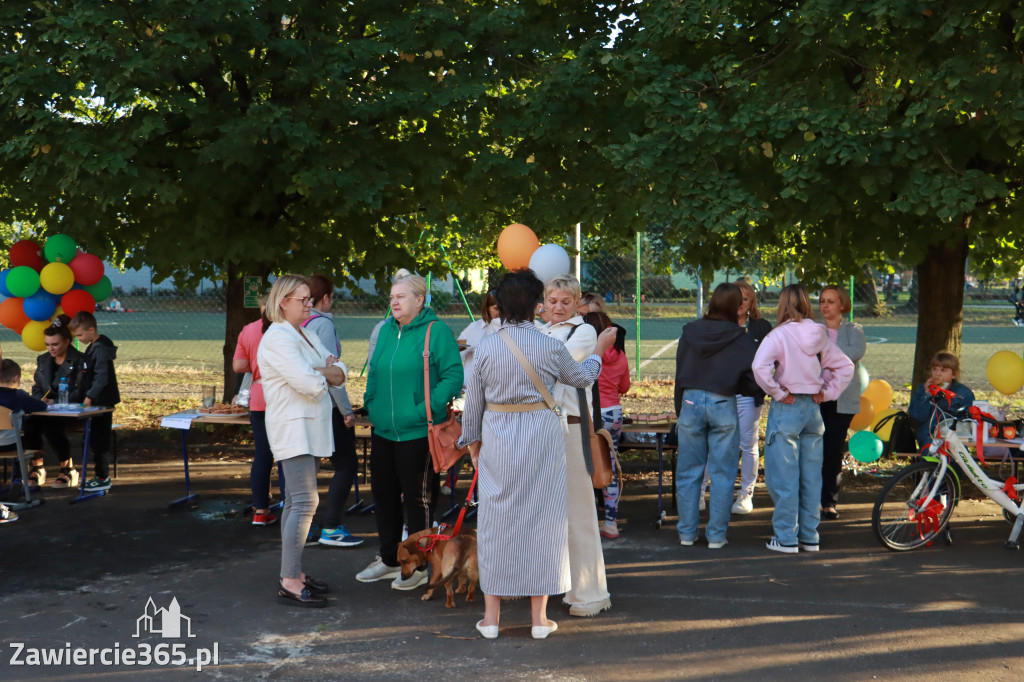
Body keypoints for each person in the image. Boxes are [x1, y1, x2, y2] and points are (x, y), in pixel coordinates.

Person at [461, 269, 617, 640]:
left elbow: (473, 406)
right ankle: (539, 618)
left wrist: (473, 444)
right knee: (544, 523)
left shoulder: (485, 346)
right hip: (544, 436)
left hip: (499, 435)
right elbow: (581, 379)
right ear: (536, 304)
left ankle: (492, 618)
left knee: (497, 522)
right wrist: (597, 352)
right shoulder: (550, 345)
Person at [356, 270, 463, 589]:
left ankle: (418, 567)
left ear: (420, 300)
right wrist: (371, 403)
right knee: (384, 497)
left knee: (418, 500)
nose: (394, 302)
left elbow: (453, 376)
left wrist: (423, 410)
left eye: (400, 297)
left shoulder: (436, 331)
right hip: (384, 431)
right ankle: (391, 559)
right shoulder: (387, 330)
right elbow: (374, 370)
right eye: (391, 297)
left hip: (418, 432)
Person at [258, 275, 348, 608]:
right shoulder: (278, 338)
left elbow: (342, 372)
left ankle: (292, 572)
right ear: (283, 302)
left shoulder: (306, 333)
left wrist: (323, 370)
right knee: (305, 502)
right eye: (303, 300)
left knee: (297, 503)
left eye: (310, 299)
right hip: (293, 430)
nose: (309, 305)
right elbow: (309, 383)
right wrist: (323, 371)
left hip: (311, 429)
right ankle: (290, 579)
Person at [752, 284, 854, 554]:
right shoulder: (819, 333)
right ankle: (810, 536)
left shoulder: (778, 335)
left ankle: (786, 538)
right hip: (813, 409)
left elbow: (758, 367)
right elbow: (846, 365)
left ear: (782, 305)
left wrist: (776, 391)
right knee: (811, 476)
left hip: (788, 407)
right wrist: (828, 392)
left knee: (783, 476)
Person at [539, 274, 612, 617]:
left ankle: (590, 591)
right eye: (553, 301)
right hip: (540, 429)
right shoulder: (539, 331)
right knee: (546, 515)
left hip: (570, 428)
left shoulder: (582, 332)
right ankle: (556, 582)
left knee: (579, 513)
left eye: (565, 301)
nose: (558, 307)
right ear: (544, 302)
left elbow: (553, 367)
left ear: (577, 302)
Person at [673, 283, 759, 549]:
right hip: (724, 401)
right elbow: (752, 378)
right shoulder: (741, 338)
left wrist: (681, 410)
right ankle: (716, 537)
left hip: (690, 400)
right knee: (722, 474)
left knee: (688, 472)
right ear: (735, 306)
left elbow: (680, 371)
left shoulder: (690, 331)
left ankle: (686, 534)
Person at [303, 274, 363, 548]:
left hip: (308, 405)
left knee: (309, 467)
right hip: (327, 405)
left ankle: (311, 527)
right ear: (325, 298)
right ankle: (330, 527)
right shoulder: (322, 324)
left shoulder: (295, 324)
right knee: (347, 464)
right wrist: (347, 410)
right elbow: (332, 373)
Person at [232, 299, 285, 527]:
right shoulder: (285, 329)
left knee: (263, 454)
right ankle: (291, 507)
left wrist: (255, 363)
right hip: (282, 395)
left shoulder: (248, 330)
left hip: (259, 396)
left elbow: (237, 365)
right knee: (286, 454)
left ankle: (260, 509)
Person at [817, 285, 866, 520]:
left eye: (830, 301)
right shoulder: (815, 330)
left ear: (842, 305)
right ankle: (809, 498)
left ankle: (828, 501)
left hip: (841, 399)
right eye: (822, 301)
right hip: (816, 396)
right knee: (812, 448)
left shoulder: (854, 329)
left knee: (832, 450)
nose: (825, 306)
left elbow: (854, 352)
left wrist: (823, 353)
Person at [26, 315, 87, 489]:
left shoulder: (80, 360)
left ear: (67, 342)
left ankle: (67, 469)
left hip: (72, 410)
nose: (50, 348)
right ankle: (37, 468)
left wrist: (58, 401)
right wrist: (40, 400)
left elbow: (82, 391)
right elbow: (37, 387)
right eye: (47, 344)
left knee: (50, 425)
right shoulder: (43, 360)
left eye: (55, 344)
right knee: (31, 423)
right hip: (47, 410)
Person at [584, 312, 630, 540]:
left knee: (584, 468)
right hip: (613, 413)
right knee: (609, 467)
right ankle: (611, 522)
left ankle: (587, 521)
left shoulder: (585, 353)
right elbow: (625, 387)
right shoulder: (620, 355)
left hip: (590, 413)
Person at [68, 311, 121, 492]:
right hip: (98, 401)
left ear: (91, 330)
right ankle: (100, 475)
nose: (79, 339)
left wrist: (89, 397)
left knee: (99, 440)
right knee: (93, 438)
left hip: (101, 402)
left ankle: (103, 477)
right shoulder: (94, 347)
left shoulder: (99, 350)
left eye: (80, 335)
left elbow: (101, 378)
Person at [908, 351, 974, 449]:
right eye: (934, 369)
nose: (937, 373)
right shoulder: (923, 389)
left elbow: (970, 417)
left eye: (943, 370)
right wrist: (927, 394)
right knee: (932, 455)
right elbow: (917, 416)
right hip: (929, 437)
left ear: (954, 374)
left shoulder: (963, 392)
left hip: (956, 437)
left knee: (957, 459)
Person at [0, 359, 48, 495]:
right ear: (16, 378)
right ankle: (17, 481)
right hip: (10, 444)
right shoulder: (19, 396)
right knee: (24, 440)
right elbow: (42, 407)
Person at [457, 291, 501, 383]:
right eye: (496, 308)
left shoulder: (513, 329)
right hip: (473, 390)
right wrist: (457, 383)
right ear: (487, 308)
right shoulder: (474, 329)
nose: (501, 312)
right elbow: (455, 354)